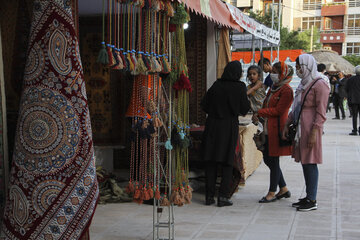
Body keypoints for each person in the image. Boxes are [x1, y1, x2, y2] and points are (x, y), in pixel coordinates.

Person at [283, 54, 330, 211]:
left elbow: (322, 112)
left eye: (299, 66)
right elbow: (297, 107)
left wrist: (314, 132)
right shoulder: (304, 84)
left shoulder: (320, 84)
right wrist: (287, 124)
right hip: (301, 127)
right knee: (305, 161)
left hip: (311, 128)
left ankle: (312, 199)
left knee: (310, 162)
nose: (297, 70)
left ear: (307, 66)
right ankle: (309, 196)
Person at [201, 61, 250, 207]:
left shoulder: (217, 85)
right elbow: (244, 109)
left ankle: (209, 196)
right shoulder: (240, 87)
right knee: (227, 160)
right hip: (229, 127)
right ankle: (222, 196)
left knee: (211, 160)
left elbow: (204, 104)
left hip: (213, 125)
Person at [252, 61, 294, 203]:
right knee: (268, 159)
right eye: (273, 71)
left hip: (277, 129)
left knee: (273, 160)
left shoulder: (287, 90)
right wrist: (259, 114)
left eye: (276, 71)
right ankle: (283, 188)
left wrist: (260, 111)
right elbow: (266, 103)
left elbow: (279, 110)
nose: (273, 74)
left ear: (283, 73)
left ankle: (272, 192)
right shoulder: (274, 87)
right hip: (267, 127)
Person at [346, 65, 360, 135]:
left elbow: (347, 89)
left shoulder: (350, 79)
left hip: (353, 100)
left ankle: (354, 130)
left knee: (354, 115)